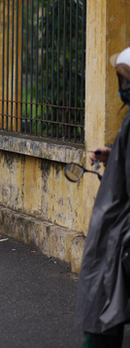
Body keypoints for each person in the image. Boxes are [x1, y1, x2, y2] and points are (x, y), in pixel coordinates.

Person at [76, 47, 130, 347]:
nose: (122, 86)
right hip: (117, 230)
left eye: (125, 79)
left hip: (119, 232)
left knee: (102, 304)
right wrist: (113, 155)